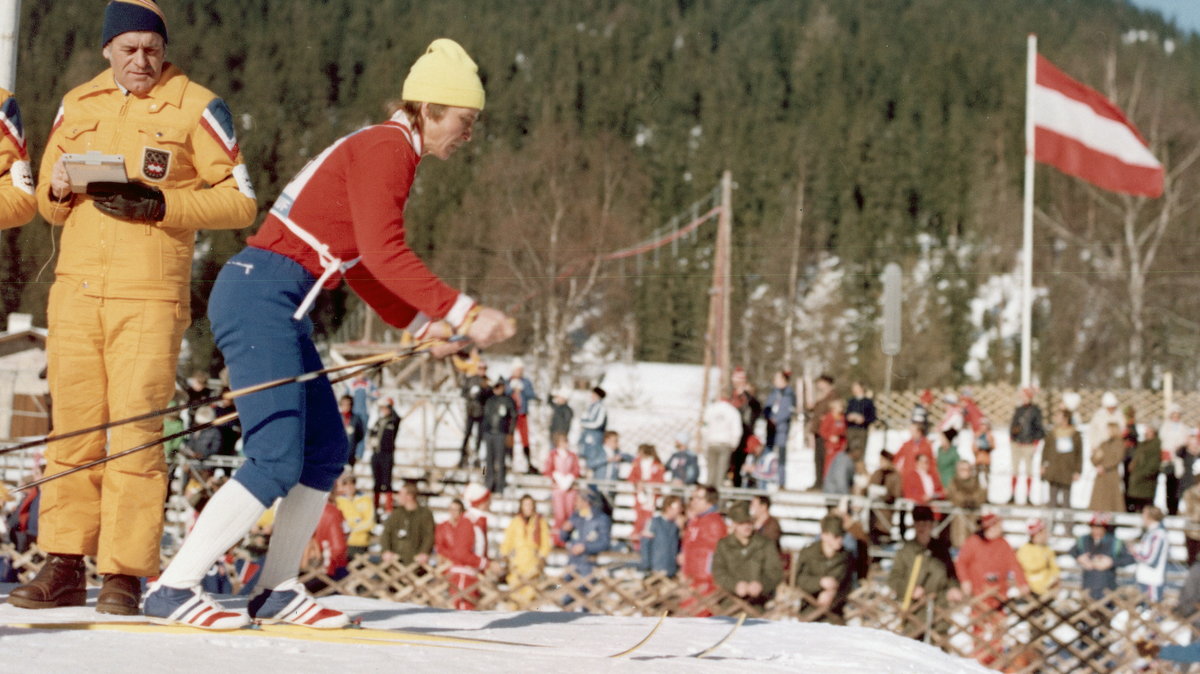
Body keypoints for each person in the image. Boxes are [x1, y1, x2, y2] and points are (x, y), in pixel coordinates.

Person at [12, 0, 258, 617]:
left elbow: (240, 202)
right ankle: (64, 562)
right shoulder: (78, 103)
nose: (141, 60)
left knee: (137, 433)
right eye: (128, 49)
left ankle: (124, 572)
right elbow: (43, 197)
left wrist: (162, 206)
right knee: (71, 429)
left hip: (148, 295)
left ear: (164, 50)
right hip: (75, 291)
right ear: (107, 51)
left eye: (151, 48)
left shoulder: (198, 107)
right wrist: (60, 190)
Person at [956, 513, 1029, 666]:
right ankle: (979, 660)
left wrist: (1021, 583)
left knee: (999, 628)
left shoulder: (1003, 544)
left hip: (999, 594)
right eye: (995, 527)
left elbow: (1014, 564)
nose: (998, 530)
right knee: (980, 628)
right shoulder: (973, 542)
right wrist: (965, 581)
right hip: (980, 592)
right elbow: (961, 562)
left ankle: (995, 661)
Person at [888, 505, 962, 614]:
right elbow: (893, 579)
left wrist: (953, 588)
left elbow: (951, 576)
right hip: (913, 610)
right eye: (918, 524)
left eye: (925, 524)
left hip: (938, 608)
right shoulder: (905, 551)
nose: (921, 528)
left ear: (932, 525)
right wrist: (909, 590)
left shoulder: (941, 550)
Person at [712, 502, 783, 606]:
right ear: (734, 524)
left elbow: (775, 571)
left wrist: (762, 585)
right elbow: (718, 571)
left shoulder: (765, 544)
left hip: (759, 603)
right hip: (729, 602)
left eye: (749, 523)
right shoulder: (724, 545)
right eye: (742, 523)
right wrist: (734, 585)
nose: (747, 527)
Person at [793, 514, 852, 621]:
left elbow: (848, 584)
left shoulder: (845, 556)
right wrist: (819, 583)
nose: (840, 540)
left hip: (834, 612)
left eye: (842, 536)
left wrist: (832, 592)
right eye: (836, 536)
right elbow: (798, 580)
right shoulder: (808, 554)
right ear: (824, 535)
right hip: (809, 610)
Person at [561, 487, 612, 605]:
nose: (576, 503)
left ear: (586, 501)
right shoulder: (576, 517)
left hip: (588, 564)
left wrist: (586, 547)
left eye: (578, 500)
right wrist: (565, 530)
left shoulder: (601, 519)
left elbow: (604, 543)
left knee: (586, 600)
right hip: (572, 563)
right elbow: (563, 538)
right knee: (567, 599)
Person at [499, 494, 551, 608]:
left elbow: (545, 541)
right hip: (517, 563)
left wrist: (543, 556)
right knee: (514, 594)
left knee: (530, 594)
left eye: (531, 504)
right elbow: (508, 540)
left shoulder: (540, 521)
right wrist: (504, 554)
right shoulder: (515, 521)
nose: (529, 507)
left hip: (532, 562)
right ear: (521, 506)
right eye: (526, 505)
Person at [1071, 511, 1134, 600]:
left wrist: (1112, 562)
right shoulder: (1084, 540)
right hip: (1088, 585)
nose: (1096, 530)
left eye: (1099, 527)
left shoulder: (1115, 542)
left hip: (1106, 585)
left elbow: (1129, 558)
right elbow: (1072, 551)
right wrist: (1080, 558)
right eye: (1093, 527)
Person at [679, 485, 727, 598]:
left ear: (709, 502)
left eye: (698, 498)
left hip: (703, 580)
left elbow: (715, 553)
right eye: (692, 498)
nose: (693, 501)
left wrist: (706, 578)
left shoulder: (714, 522)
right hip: (691, 577)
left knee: (700, 613)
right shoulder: (697, 520)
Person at [435, 498, 483, 610]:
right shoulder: (443, 527)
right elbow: (440, 546)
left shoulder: (466, 526)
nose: (453, 512)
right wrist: (453, 556)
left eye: (456, 510)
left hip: (462, 564)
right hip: (448, 563)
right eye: (451, 509)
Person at [378, 482, 435, 568]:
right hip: (395, 561)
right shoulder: (396, 514)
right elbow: (386, 533)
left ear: (410, 496)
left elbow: (429, 535)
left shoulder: (425, 514)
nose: (398, 497)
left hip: (415, 561)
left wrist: (424, 552)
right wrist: (386, 550)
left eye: (401, 494)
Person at [1008, 387, 1045, 505]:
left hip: (1028, 444)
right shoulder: (1018, 410)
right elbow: (1013, 425)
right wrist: (1012, 437)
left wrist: (1035, 442)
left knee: (1029, 471)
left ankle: (1028, 495)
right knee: (1015, 470)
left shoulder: (1035, 411)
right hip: (1017, 444)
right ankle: (1013, 494)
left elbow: (1039, 428)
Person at [1043, 407, 1082, 516]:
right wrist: (1043, 465)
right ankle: (1050, 527)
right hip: (1054, 469)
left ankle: (1067, 528)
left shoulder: (1075, 434)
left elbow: (1079, 454)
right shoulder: (1052, 433)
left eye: (1058, 416)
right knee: (1052, 500)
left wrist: (1077, 470)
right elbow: (1046, 450)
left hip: (1067, 470)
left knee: (1066, 501)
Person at [543, 431, 580, 545]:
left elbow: (576, 470)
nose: (565, 444)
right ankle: (557, 539)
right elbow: (548, 469)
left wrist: (570, 478)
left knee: (569, 513)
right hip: (558, 488)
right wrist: (556, 477)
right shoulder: (553, 454)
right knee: (559, 514)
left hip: (569, 489)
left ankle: (568, 539)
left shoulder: (572, 455)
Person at [628, 443, 665, 550]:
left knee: (649, 518)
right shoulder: (637, 463)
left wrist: (648, 484)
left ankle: (647, 543)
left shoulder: (657, 464)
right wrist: (638, 483)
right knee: (639, 517)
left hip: (651, 497)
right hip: (640, 496)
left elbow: (660, 480)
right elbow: (631, 477)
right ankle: (636, 543)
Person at [482, 380, 517, 494]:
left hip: (501, 433)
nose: (497, 389)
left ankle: (500, 486)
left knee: (501, 460)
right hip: (489, 433)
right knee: (488, 461)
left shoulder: (508, 400)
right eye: (495, 387)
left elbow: (513, 416)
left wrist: (509, 433)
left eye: (499, 387)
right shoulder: (489, 399)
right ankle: (488, 483)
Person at [729, 368, 761, 489]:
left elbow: (755, 412)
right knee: (732, 466)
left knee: (741, 466)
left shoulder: (748, 399)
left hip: (744, 436)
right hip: (732, 435)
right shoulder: (731, 396)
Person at [762, 370, 796, 484]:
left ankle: (781, 480)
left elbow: (787, 410)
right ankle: (765, 477)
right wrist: (768, 417)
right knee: (768, 453)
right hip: (771, 429)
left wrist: (777, 419)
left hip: (781, 429)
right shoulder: (773, 393)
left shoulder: (789, 394)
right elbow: (767, 407)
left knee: (781, 455)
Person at [504, 360, 538, 474]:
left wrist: (522, 389)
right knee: (509, 437)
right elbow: (503, 393)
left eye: (520, 370)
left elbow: (532, 394)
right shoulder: (508, 381)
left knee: (525, 438)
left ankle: (528, 462)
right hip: (510, 414)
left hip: (522, 413)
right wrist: (511, 389)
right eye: (517, 370)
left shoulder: (526, 382)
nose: (519, 372)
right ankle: (509, 461)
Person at [368, 398, 401, 513]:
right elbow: (371, 432)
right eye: (382, 408)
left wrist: (391, 405)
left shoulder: (393, 421)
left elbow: (398, 418)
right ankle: (375, 507)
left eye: (386, 408)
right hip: (376, 454)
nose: (383, 410)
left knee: (387, 482)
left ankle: (388, 508)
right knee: (376, 482)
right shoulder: (379, 421)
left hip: (387, 455)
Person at [701, 397, 741, 487]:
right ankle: (716, 495)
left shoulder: (711, 409)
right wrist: (734, 444)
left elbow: (704, 427)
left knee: (710, 471)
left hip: (712, 442)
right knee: (721, 472)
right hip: (725, 444)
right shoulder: (732, 411)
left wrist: (706, 441)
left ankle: (708, 494)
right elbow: (737, 431)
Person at [945, 460, 987, 549]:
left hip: (974, 519)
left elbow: (981, 495)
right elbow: (955, 497)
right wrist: (968, 500)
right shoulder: (953, 482)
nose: (965, 472)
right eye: (962, 469)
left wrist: (972, 501)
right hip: (959, 522)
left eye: (967, 469)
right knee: (960, 543)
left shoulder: (976, 482)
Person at [1132, 505, 1169, 603]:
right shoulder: (1150, 533)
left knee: (1152, 612)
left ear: (1150, 517)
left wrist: (1134, 552)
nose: (1142, 518)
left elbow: (1151, 559)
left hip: (1152, 580)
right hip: (1144, 578)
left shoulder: (1158, 535)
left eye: (1144, 515)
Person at [639, 494, 683, 577]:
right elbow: (645, 545)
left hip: (671, 569)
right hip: (656, 568)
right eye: (678, 508)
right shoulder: (654, 522)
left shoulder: (676, 525)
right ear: (668, 508)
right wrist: (647, 566)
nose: (680, 510)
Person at [333, 472, 374, 561]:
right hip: (342, 541)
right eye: (345, 484)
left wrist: (352, 528)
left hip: (359, 542)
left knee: (359, 568)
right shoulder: (338, 501)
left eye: (352, 483)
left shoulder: (365, 499)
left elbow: (370, 522)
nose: (349, 487)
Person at [806, 374, 837, 490]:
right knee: (818, 458)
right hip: (818, 430)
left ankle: (824, 482)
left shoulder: (833, 396)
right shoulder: (821, 396)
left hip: (827, 431)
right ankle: (818, 482)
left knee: (824, 458)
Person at [458, 361, 491, 468]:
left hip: (482, 413)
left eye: (484, 368)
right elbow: (463, 393)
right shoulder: (471, 380)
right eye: (480, 368)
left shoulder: (487, 381)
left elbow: (490, 396)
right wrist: (471, 395)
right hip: (471, 411)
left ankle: (476, 456)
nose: (482, 371)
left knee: (479, 436)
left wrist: (483, 391)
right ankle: (463, 455)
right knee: (467, 434)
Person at [1016, 518, 1059, 598]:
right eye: (1043, 532)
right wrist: (1044, 561)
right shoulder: (1025, 549)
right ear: (1036, 534)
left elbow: (1054, 566)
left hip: (1047, 589)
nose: (1046, 535)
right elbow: (1029, 566)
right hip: (1032, 589)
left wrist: (1056, 578)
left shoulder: (1047, 549)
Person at [1089, 421, 1127, 513]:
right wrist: (1096, 457)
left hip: (1111, 475)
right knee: (1099, 500)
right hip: (1101, 476)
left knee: (1111, 500)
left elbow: (1117, 459)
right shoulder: (1104, 443)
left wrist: (1104, 467)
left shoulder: (1119, 443)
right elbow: (1094, 459)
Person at [1161, 404, 1191, 516]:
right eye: (1173, 415)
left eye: (1177, 415)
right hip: (1169, 460)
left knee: (1178, 486)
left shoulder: (1184, 429)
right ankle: (1169, 508)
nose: (1176, 417)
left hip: (1179, 460)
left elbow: (1185, 443)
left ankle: (1176, 507)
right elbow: (1164, 443)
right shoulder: (1165, 428)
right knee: (1169, 485)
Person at [867, 449, 902, 544]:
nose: (881, 463)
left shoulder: (895, 475)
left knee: (883, 536)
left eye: (883, 460)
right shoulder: (877, 473)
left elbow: (896, 494)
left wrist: (884, 495)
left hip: (886, 512)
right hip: (873, 513)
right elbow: (870, 486)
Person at [1127, 425, 1161, 514]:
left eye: (1149, 431)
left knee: (1145, 505)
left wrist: (1142, 474)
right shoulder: (1143, 444)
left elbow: (1153, 465)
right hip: (1137, 480)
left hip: (1146, 481)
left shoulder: (1155, 445)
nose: (1146, 433)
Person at [845, 381, 876, 462]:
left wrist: (863, 419)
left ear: (861, 388)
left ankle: (860, 468)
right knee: (850, 449)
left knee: (861, 450)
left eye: (856, 387)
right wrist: (849, 417)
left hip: (862, 429)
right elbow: (845, 414)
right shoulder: (851, 401)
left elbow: (873, 417)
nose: (854, 389)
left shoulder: (868, 402)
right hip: (851, 429)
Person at [819, 398, 847, 482]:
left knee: (839, 464)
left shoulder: (842, 418)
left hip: (840, 446)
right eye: (839, 407)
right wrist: (830, 437)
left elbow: (844, 430)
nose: (841, 409)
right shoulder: (829, 417)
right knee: (829, 464)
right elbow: (823, 431)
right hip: (831, 446)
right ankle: (827, 482)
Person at [578, 386, 607, 465]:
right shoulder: (591, 406)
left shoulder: (601, 407)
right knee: (584, 453)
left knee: (593, 455)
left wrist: (584, 424)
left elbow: (598, 423)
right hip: (587, 434)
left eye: (594, 394)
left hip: (595, 435)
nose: (592, 396)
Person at [338, 395, 367, 468]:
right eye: (344, 404)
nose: (346, 406)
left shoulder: (356, 419)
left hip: (349, 454)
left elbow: (360, 435)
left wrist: (353, 443)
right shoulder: (336, 418)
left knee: (348, 476)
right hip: (336, 455)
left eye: (348, 404)